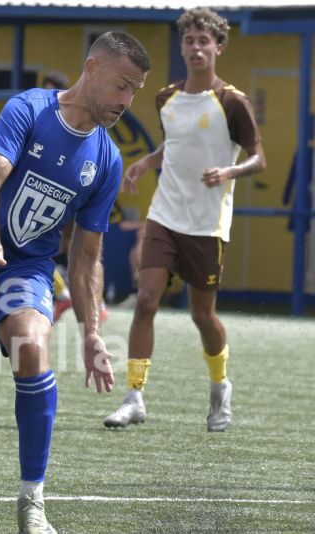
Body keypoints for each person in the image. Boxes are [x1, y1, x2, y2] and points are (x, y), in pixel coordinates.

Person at [0, 32, 151, 533]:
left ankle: (32, 501)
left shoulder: (107, 160)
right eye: (121, 86)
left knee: (31, 345)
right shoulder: (30, 108)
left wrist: (91, 331)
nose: (126, 101)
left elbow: (87, 255)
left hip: (26, 268)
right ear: (91, 68)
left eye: (135, 91)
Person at [104, 8, 266, 432]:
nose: (196, 48)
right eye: (189, 41)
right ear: (181, 47)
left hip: (207, 225)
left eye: (203, 41)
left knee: (201, 315)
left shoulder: (232, 102)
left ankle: (219, 388)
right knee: (146, 299)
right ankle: (134, 396)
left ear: (218, 47)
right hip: (165, 215)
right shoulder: (166, 98)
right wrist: (145, 162)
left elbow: (258, 158)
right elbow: (173, 145)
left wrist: (229, 172)